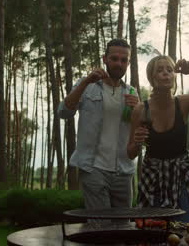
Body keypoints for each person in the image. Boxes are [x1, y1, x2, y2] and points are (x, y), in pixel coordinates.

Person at [127, 55, 189, 222]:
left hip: (181, 178)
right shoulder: (140, 110)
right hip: (152, 180)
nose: (166, 73)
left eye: (170, 70)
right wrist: (137, 142)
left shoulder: (183, 102)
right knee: (153, 232)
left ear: (174, 76)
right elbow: (130, 153)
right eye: (160, 70)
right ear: (152, 78)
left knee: (187, 227)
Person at [58, 39, 139, 211]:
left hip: (123, 171)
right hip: (93, 168)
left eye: (123, 60)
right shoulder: (87, 85)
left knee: (124, 228)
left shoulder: (131, 93)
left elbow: (139, 130)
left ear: (128, 63)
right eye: (114, 58)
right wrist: (86, 82)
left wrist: (139, 110)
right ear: (105, 59)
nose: (119, 63)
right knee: (100, 227)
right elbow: (63, 112)